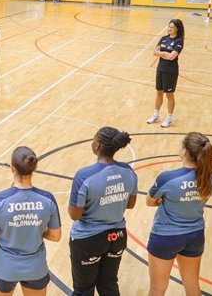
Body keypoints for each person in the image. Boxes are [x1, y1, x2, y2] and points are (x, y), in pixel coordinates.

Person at [0, 146, 62, 296]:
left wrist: (5, 231)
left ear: (12, 168)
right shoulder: (48, 199)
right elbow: (55, 236)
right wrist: (36, 230)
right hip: (36, 268)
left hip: (4, 268)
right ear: (35, 168)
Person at [69, 126, 138, 296]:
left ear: (97, 146)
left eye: (94, 140)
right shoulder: (128, 171)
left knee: (83, 290)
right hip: (118, 236)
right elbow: (130, 204)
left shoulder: (84, 176)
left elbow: (74, 215)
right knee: (109, 285)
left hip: (88, 240)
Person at [146, 132, 212, 296]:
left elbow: (149, 201)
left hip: (166, 236)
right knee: (192, 287)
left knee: (157, 288)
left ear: (185, 151)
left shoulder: (168, 178)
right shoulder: (209, 177)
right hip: (195, 235)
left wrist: (165, 200)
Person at [146, 19, 184, 128]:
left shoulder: (179, 41)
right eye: (169, 27)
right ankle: (156, 115)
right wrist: (164, 53)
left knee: (169, 95)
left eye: (172, 27)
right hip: (160, 69)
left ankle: (169, 118)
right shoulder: (163, 38)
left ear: (177, 28)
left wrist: (161, 53)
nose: (170, 29)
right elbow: (154, 52)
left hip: (171, 71)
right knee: (159, 92)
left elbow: (173, 56)